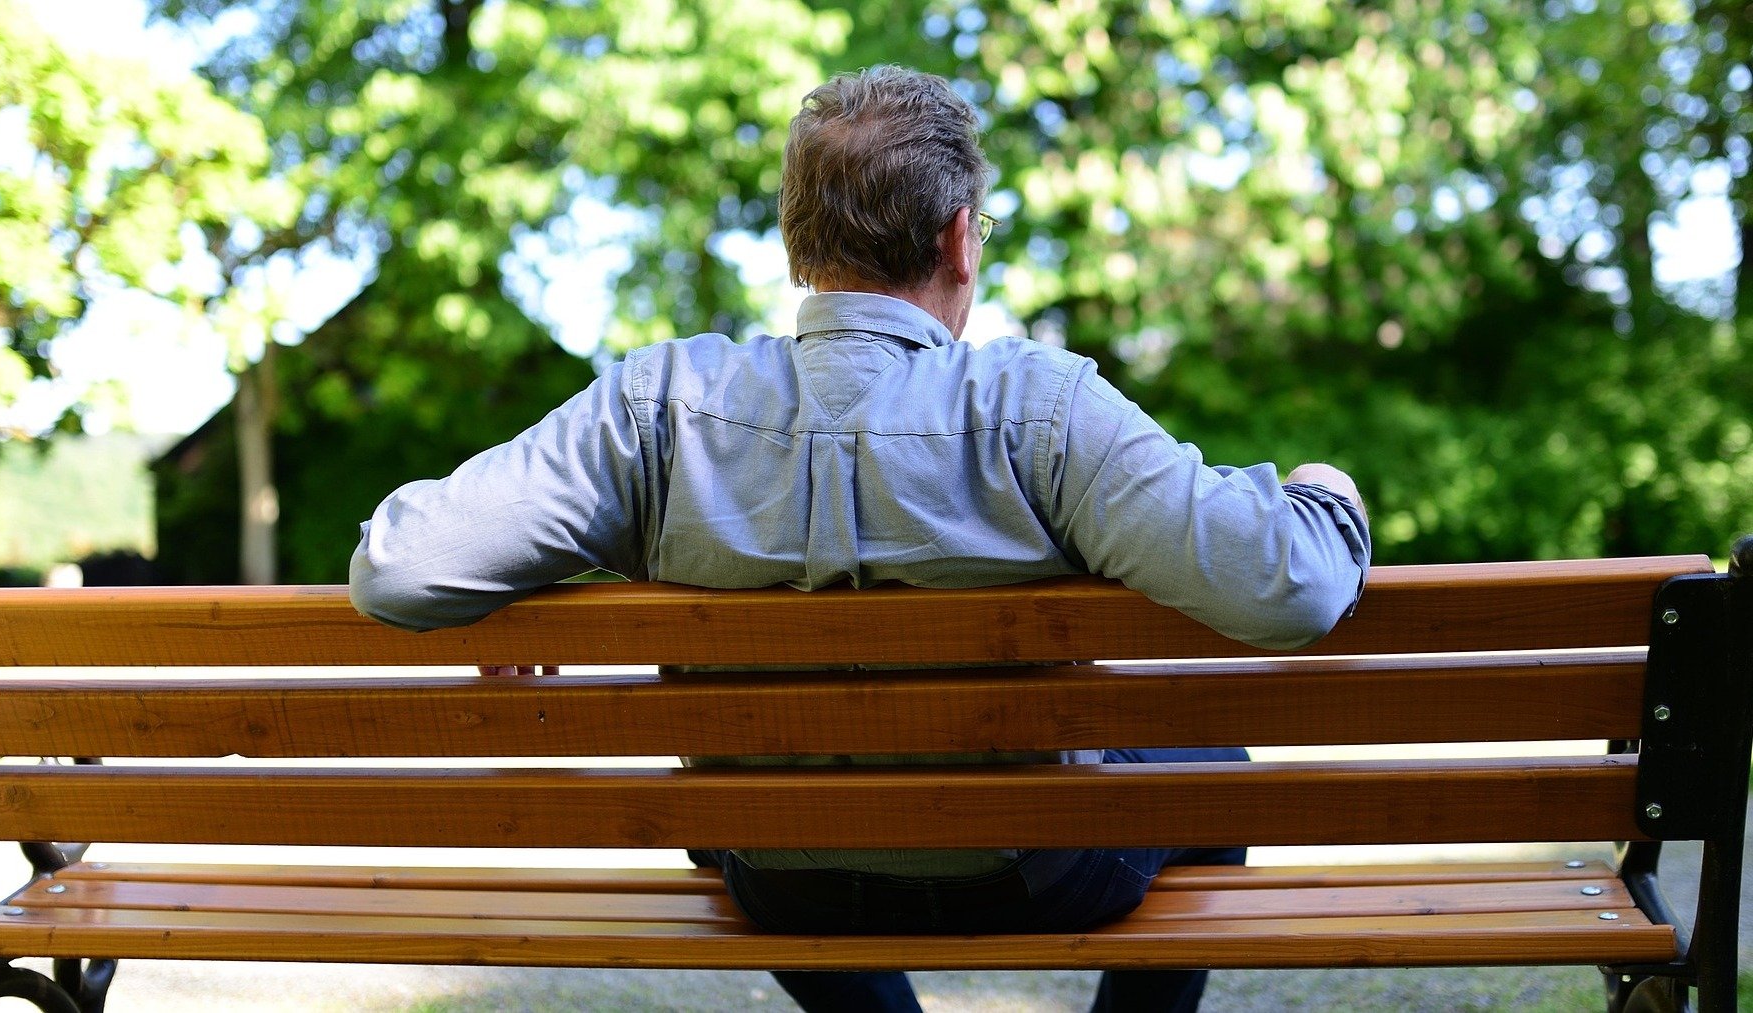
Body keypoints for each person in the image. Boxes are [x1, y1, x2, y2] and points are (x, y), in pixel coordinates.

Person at [350, 65, 1370, 1013]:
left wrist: (547, 574)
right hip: (1033, 872)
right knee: (1210, 762)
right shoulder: (1039, 405)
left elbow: (400, 565)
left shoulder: (659, 403)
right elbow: (1286, 589)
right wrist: (1327, 492)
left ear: (798, 244)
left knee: (777, 818)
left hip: (780, 881)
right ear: (959, 239)